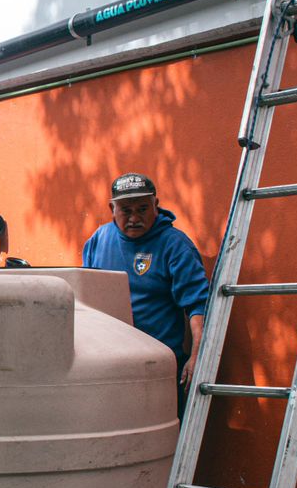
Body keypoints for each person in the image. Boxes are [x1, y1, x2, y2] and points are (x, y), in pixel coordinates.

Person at [81, 173, 210, 414]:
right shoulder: (99, 240)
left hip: (158, 368)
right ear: (112, 208)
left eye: (142, 209)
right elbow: (85, 296)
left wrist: (197, 356)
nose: (134, 218)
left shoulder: (174, 245)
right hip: (108, 366)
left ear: (155, 205)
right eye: (126, 211)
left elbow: (198, 305)